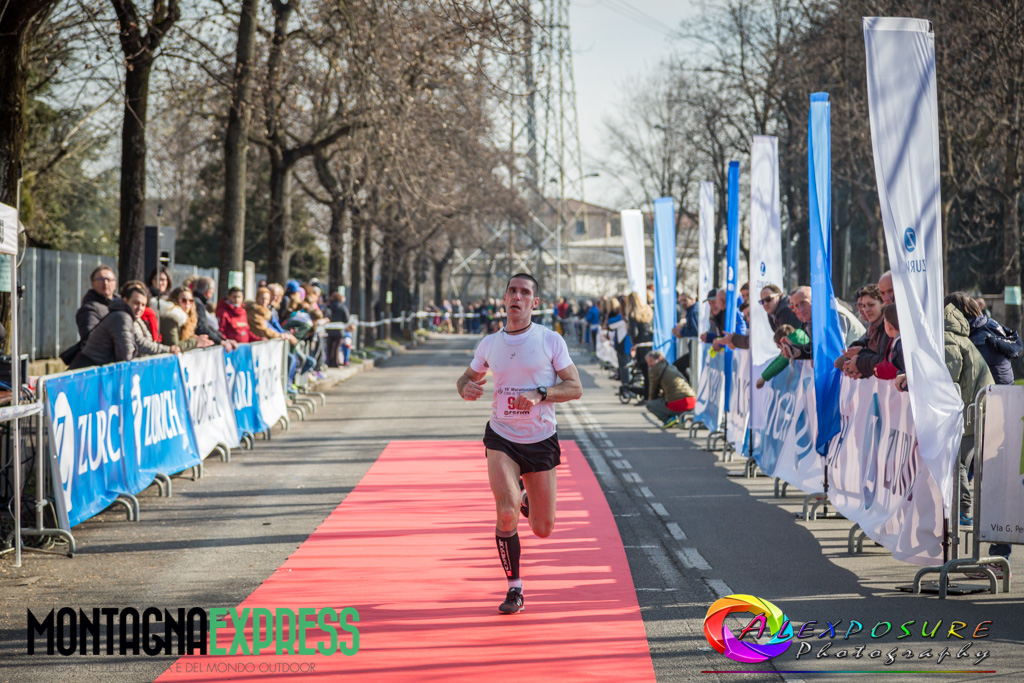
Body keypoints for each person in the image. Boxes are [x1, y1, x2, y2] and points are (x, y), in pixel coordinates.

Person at [456, 273, 582, 615]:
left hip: (540, 440)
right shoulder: (490, 344)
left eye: (524, 292)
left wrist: (542, 393)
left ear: (534, 302)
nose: (517, 296)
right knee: (507, 510)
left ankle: (526, 495)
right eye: (512, 290)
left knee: (542, 528)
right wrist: (465, 387)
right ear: (504, 298)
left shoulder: (550, 340)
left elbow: (575, 387)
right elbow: (466, 377)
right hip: (502, 436)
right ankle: (515, 588)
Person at [942, 300, 995, 532]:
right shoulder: (957, 336)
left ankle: (963, 511)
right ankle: (962, 510)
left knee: (958, 464)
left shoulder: (948, 338)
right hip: (974, 408)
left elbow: (947, 377)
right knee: (960, 463)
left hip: (968, 412)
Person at [69, 281, 180, 369]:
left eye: (143, 305)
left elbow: (144, 342)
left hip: (96, 372)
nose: (140, 308)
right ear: (125, 301)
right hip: (87, 372)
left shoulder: (132, 317)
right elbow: (127, 354)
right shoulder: (122, 317)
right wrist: (168, 350)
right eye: (136, 303)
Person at [834, 284, 888, 379]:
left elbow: (884, 362)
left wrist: (860, 359)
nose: (866, 310)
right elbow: (839, 362)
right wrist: (852, 365)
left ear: (883, 304)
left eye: (871, 305)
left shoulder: (888, 328)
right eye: (863, 306)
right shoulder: (871, 330)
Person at [644, 350, 696, 428]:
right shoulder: (671, 367)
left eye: (651, 361)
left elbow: (653, 390)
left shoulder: (654, 370)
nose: (649, 364)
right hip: (692, 400)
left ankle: (669, 419)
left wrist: (652, 399)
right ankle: (681, 420)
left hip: (677, 404)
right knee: (672, 397)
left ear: (659, 358)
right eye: (648, 362)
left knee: (650, 404)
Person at [756, 325, 810, 389]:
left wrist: (764, 378)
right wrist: (764, 376)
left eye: (779, 347)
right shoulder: (798, 335)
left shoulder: (790, 347)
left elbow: (780, 363)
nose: (781, 351)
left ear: (782, 342)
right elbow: (779, 358)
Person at [160, 286, 214, 351]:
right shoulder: (171, 316)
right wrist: (195, 341)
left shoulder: (191, 317)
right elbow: (174, 346)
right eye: (184, 300)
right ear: (175, 300)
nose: (187, 303)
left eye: (190, 301)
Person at [872, 304, 904, 379]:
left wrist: (879, 370)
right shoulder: (896, 341)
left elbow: (896, 367)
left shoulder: (899, 343)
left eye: (884, 322)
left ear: (889, 326)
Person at [324, 292, 351, 367]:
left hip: (329, 329)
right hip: (339, 330)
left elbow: (326, 315)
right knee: (336, 346)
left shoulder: (329, 306)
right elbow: (346, 318)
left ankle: (328, 362)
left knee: (329, 346)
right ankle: (335, 362)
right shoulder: (342, 307)